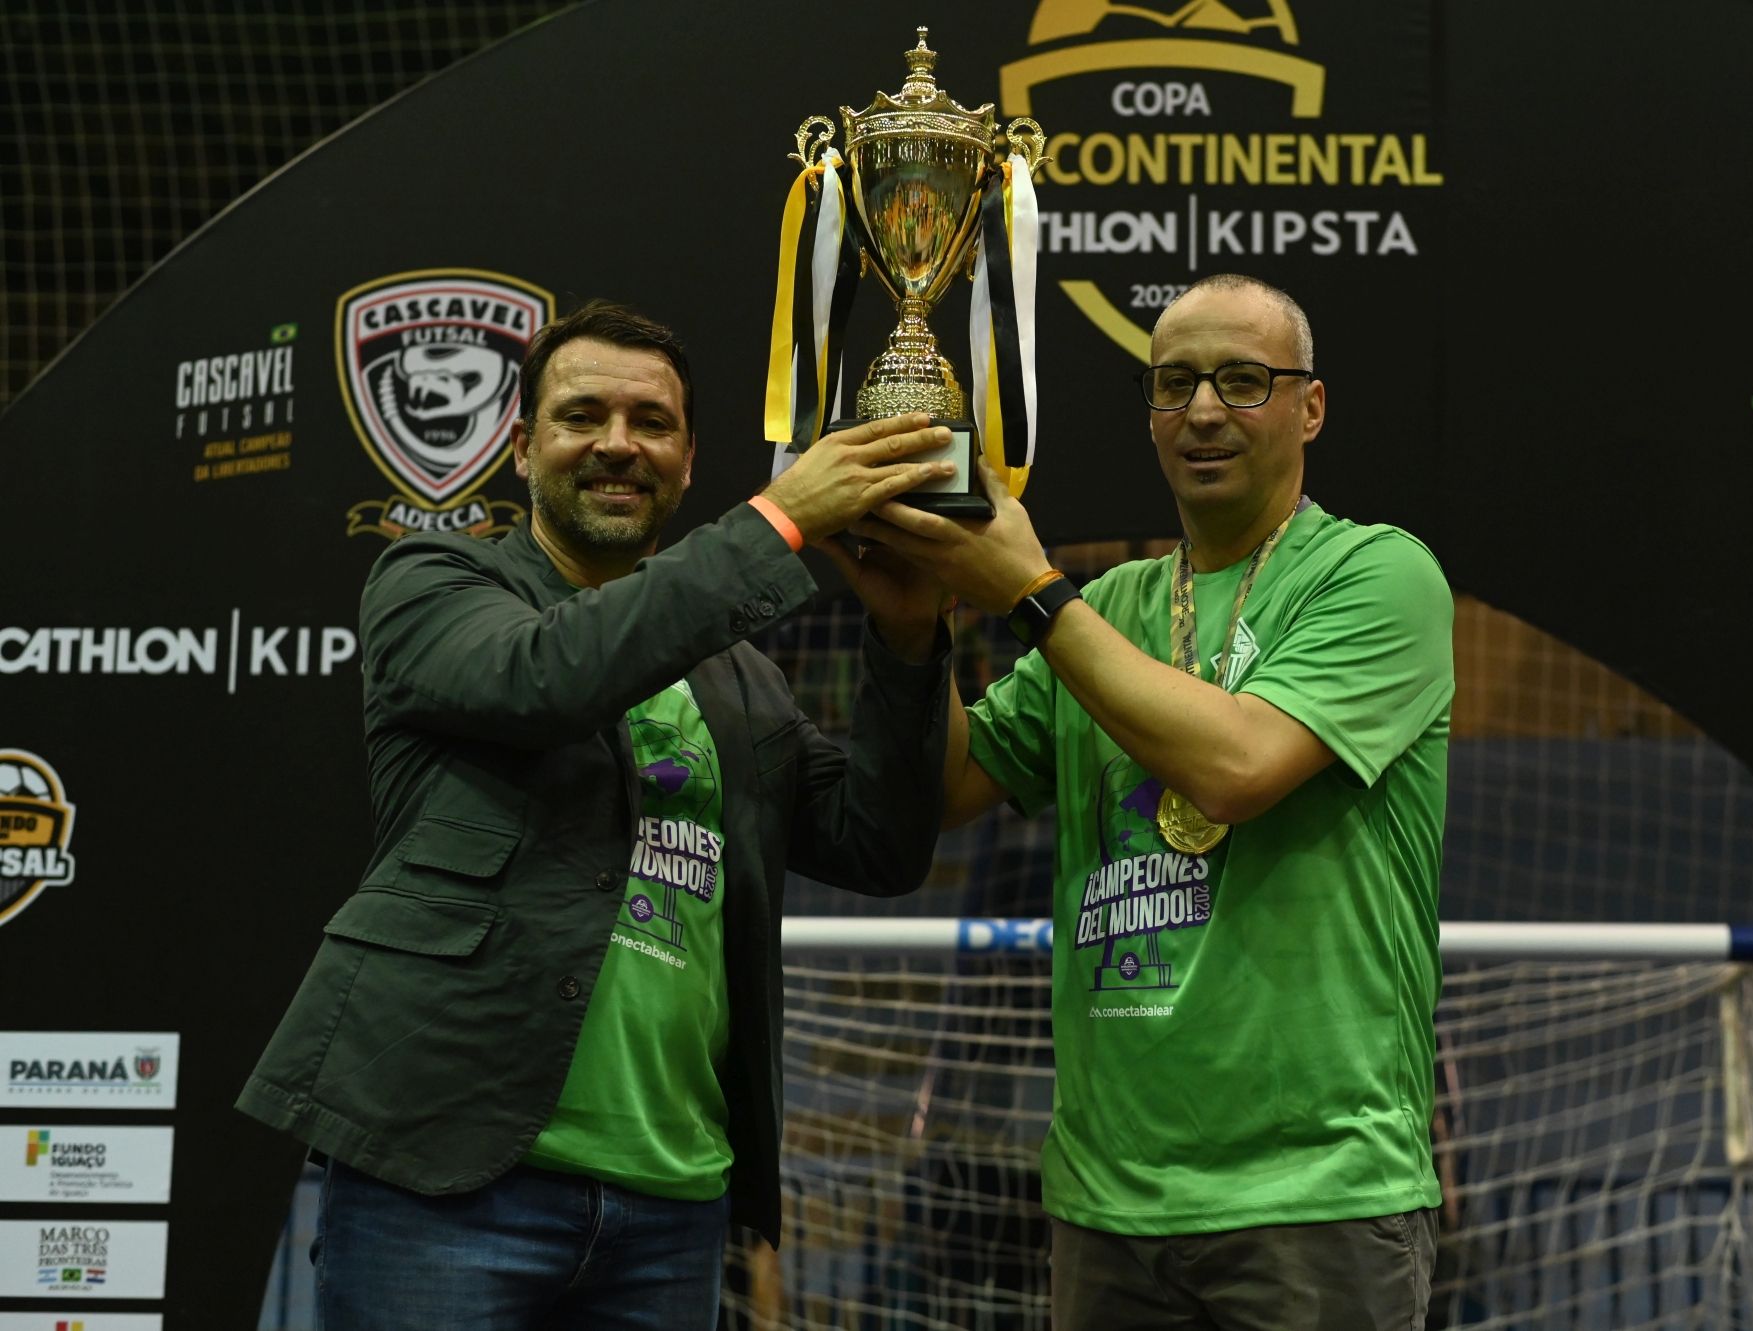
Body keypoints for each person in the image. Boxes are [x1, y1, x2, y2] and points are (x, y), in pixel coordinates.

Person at [237, 299, 961, 1329]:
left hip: (668, 1200)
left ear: (688, 456)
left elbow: (877, 843)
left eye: (651, 422)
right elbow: (547, 679)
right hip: (447, 1177)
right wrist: (775, 522)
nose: (618, 444)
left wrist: (901, 633)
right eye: (583, 415)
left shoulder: (740, 677)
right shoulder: (434, 584)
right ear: (524, 445)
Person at [860, 274, 1455, 1330]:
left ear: (1308, 406)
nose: (1204, 411)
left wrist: (1032, 593)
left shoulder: (1379, 574)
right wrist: (917, 631)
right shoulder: (1117, 606)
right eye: (1173, 383)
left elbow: (1234, 767)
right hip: (1105, 1203)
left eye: (1241, 379)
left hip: (1314, 1197)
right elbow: (945, 791)